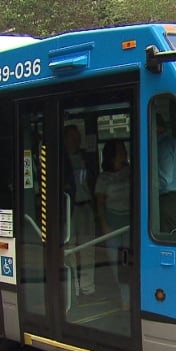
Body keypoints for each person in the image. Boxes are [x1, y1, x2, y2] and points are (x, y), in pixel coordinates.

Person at [95, 139, 130, 310]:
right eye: (120, 150)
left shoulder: (130, 171)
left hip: (129, 225)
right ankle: (124, 296)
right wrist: (104, 224)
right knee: (116, 264)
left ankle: (128, 297)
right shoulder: (104, 177)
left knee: (128, 262)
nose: (124, 153)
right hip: (112, 225)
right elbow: (100, 203)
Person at [64, 124, 97, 301]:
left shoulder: (86, 157)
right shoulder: (61, 158)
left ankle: (87, 288)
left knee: (88, 248)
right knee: (70, 249)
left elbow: (93, 178)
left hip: (87, 206)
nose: (76, 141)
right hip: (71, 208)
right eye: (72, 138)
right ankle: (74, 288)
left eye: (77, 138)